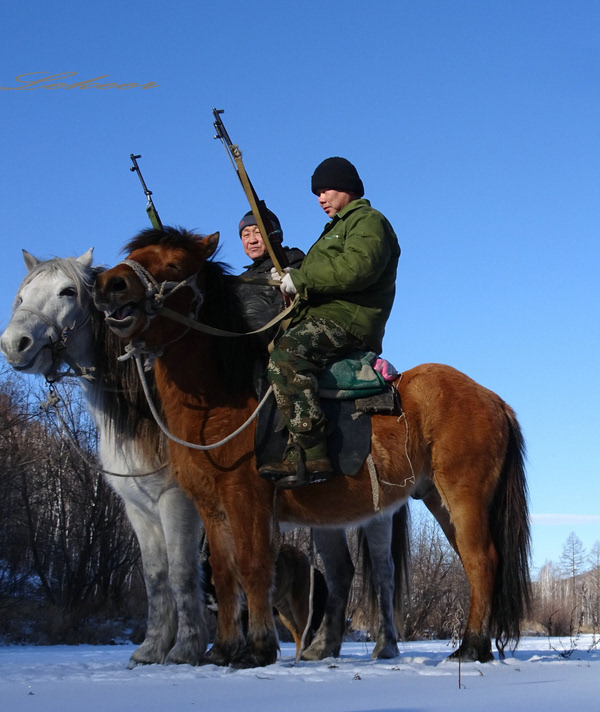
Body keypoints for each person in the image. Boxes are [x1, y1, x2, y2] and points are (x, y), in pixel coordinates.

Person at [258, 157, 400, 489]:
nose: (320, 198)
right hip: (324, 315)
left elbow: (356, 269)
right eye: (317, 193)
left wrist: (302, 277)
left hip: (347, 320)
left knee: (286, 357)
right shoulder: (333, 230)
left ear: (347, 188)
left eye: (326, 190)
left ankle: (312, 450)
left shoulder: (369, 221)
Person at [236, 209, 304, 334]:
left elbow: (284, 307)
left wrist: (246, 333)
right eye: (246, 235)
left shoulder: (291, 260)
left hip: (267, 339)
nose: (252, 240)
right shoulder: (238, 280)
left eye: (258, 232)